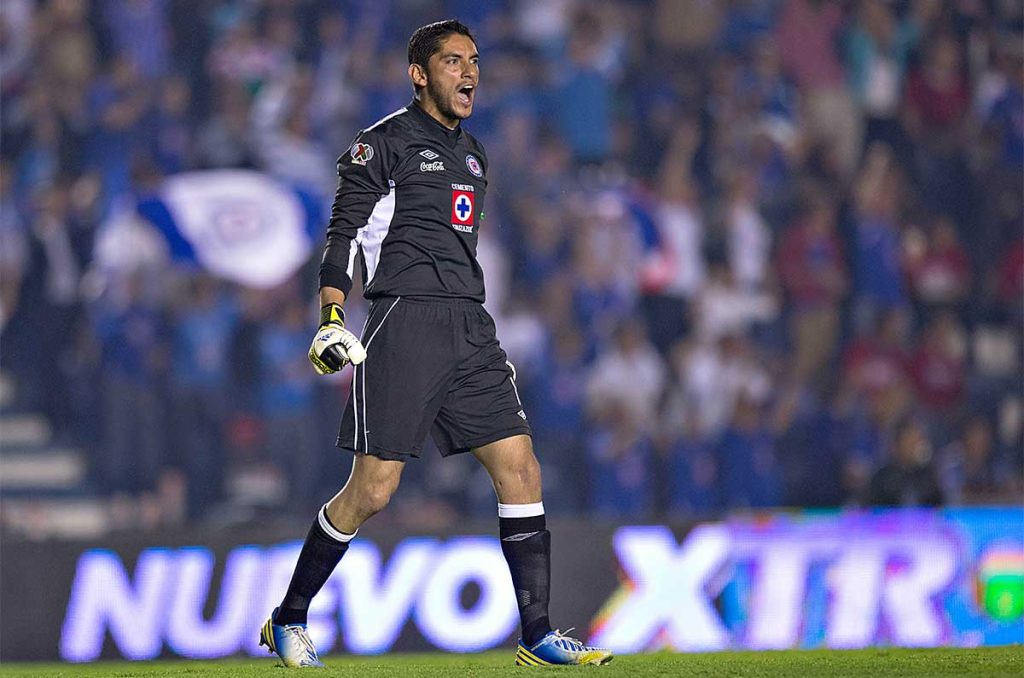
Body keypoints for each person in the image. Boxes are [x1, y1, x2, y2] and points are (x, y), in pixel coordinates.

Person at [258, 20, 612, 668]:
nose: (469, 72)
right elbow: (343, 234)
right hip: (405, 321)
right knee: (373, 490)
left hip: (470, 325)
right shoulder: (381, 145)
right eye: (453, 61)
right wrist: (332, 316)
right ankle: (289, 617)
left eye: (473, 61)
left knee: (521, 468)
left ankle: (536, 635)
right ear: (419, 74)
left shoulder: (474, 155)